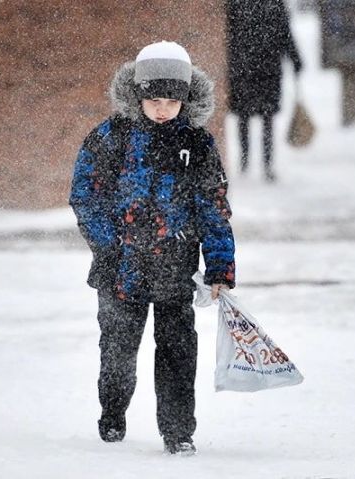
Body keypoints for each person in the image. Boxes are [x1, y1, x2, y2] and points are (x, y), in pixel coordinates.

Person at [69, 41, 236, 456]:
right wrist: (109, 248)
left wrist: (219, 266)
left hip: (176, 268)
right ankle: (113, 411)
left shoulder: (197, 144)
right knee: (118, 351)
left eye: (172, 101)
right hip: (119, 270)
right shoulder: (110, 137)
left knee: (178, 354)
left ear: (186, 99)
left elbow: (213, 207)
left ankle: (178, 430)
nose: (162, 109)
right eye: (154, 100)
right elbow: (85, 196)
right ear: (137, 95)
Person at [225, 0, 303, 182]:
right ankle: (264, 165)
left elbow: (228, 33)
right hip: (266, 68)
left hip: (244, 68)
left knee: (246, 117)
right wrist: (295, 59)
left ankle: (247, 163)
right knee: (265, 118)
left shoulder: (237, 3)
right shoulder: (274, 4)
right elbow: (286, 34)